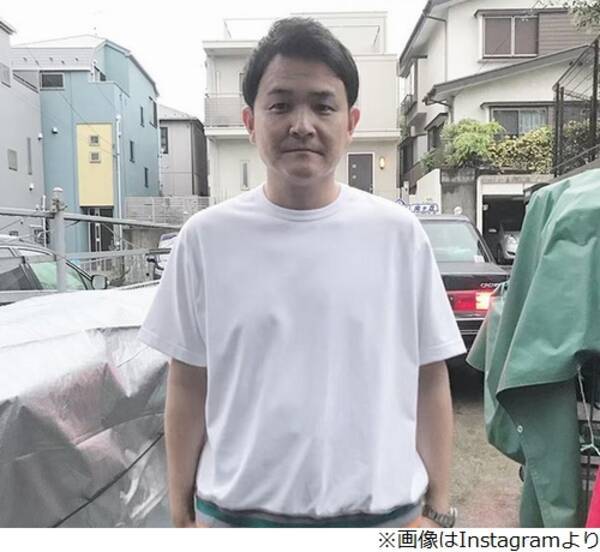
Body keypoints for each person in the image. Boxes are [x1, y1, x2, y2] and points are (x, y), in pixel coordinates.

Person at [138, 17, 465, 528]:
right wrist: (181, 516)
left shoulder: (398, 235)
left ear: (351, 122)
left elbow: (429, 377)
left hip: (384, 520)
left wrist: (439, 513)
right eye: (280, 105)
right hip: (234, 520)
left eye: (323, 105)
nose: (302, 124)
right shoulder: (204, 239)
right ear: (250, 121)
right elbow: (188, 384)